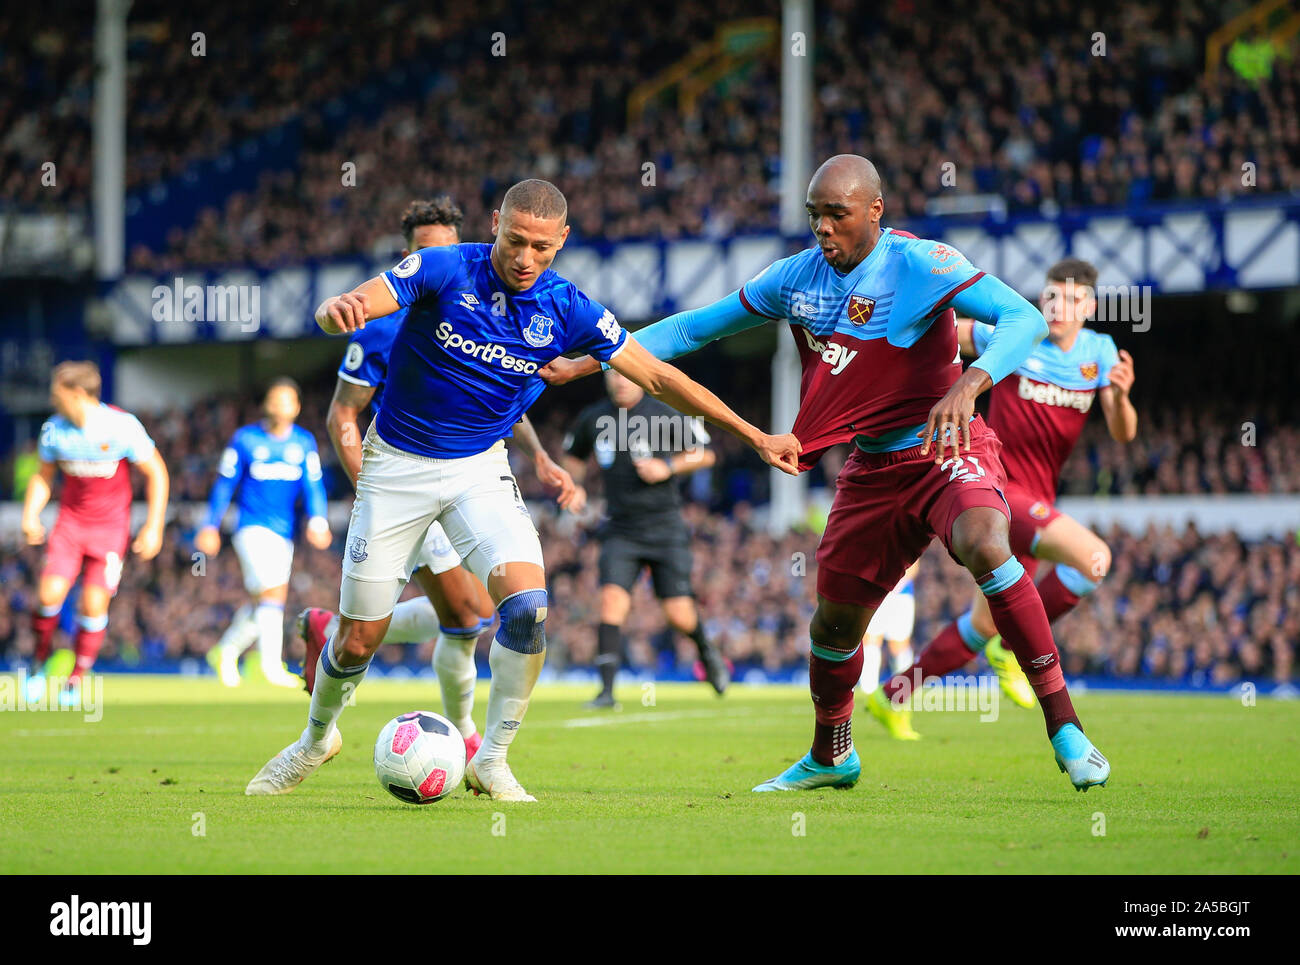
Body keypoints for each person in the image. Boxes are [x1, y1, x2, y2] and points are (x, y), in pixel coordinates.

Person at [541, 155, 1110, 793]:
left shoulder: (923, 264)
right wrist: (593, 362)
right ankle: (832, 754)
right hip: (870, 468)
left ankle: (1065, 726)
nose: (823, 229)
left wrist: (972, 383)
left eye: (837, 215)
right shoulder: (796, 277)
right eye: (815, 216)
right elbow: (694, 329)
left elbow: (1025, 319)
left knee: (985, 542)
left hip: (946, 444)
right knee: (834, 626)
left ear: (875, 211)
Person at [245, 178, 799, 802]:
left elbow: (659, 375)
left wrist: (753, 434)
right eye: (514, 240)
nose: (525, 257)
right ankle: (316, 738)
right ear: (495, 225)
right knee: (356, 639)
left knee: (526, 606)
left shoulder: (570, 308)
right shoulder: (443, 265)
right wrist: (334, 310)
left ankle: (493, 757)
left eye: (540, 245)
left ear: (562, 240)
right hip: (395, 467)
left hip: (479, 469)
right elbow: (355, 302)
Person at [299, 196, 580, 761]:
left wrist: (540, 456)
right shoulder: (379, 329)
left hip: (469, 473)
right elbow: (341, 416)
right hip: (402, 473)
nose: (439, 261)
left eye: (448, 249)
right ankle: (461, 733)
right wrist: (371, 493)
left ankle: (465, 734)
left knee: (472, 614)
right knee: (462, 615)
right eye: (426, 253)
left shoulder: (488, 307)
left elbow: (502, 397)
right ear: (408, 258)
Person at [873, 257, 1137, 735]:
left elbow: (1122, 433)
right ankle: (1011, 652)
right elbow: (943, 336)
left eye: (1073, 300)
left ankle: (895, 694)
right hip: (993, 485)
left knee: (984, 625)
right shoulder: (1017, 335)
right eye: (1052, 297)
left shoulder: (1100, 351)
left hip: (1037, 500)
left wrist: (1118, 398)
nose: (1059, 307)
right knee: (1095, 560)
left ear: (1090, 305)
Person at [563, 368, 727, 708]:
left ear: (638, 377)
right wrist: (574, 485)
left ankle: (706, 652)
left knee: (679, 614)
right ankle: (607, 691)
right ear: (606, 377)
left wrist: (666, 467)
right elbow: (573, 458)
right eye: (614, 374)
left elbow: (706, 453)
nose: (621, 381)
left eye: (626, 375)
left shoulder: (664, 413)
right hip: (621, 528)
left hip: (665, 527)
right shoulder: (594, 418)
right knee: (611, 602)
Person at [22, 361, 169, 703]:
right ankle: (38, 664)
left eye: (57, 393)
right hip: (70, 526)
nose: (52, 400)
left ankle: (76, 678)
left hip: (109, 531)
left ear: (76, 394)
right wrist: (31, 514)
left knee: (92, 604)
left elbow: (157, 473)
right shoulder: (54, 431)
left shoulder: (122, 427)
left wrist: (154, 525)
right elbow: (43, 476)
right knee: (48, 595)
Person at [197, 378, 332, 688]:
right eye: (274, 399)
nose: (280, 406)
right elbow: (224, 485)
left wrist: (318, 521)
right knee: (273, 594)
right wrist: (209, 525)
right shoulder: (245, 440)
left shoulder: (304, 443)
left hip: (284, 533)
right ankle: (271, 666)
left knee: (266, 600)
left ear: (296, 407)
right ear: (266, 405)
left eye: (287, 401)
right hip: (251, 528)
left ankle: (226, 650)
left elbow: (314, 486)